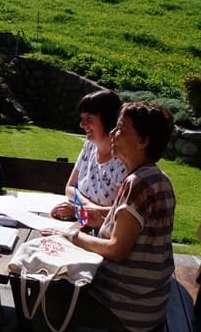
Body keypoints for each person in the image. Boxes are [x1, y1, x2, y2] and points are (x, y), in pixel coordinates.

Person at [41, 101, 176, 331]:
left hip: (127, 310)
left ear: (143, 141)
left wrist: (70, 234)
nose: (113, 133)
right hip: (151, 303)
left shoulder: (137, 183)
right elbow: (138, 234)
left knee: (48, 291)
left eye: (121, 129)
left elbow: (116, 249)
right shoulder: (158, 178)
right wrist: (102, 220)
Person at [51, 90, 126, 222]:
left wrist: (80, 211)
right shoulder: (89, 147)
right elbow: (70, 187)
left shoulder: (123, 161)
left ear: (108, 120)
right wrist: (86, 207)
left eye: (89, 119)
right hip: (81, 222)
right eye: (82, 119)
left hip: (104, 233)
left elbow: (122, 211)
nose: (82, 124)